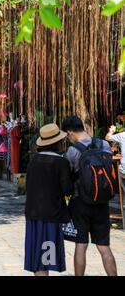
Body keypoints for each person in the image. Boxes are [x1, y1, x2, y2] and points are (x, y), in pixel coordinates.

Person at [62, 116, 117, 276]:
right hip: (102, 201)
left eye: (67, 135)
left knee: (81, 245)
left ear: (70, 132)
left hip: (81, 202)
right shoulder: (104, 145)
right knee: (104, 247)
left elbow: (69, 175)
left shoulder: (73, 151)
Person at [24, 123, 72, 276]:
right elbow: (67, 190)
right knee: (46, 257)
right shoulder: (61, 162)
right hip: (51, 215)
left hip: (33, 215)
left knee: (38, 258)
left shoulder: (33, 161)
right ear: (57, 143)